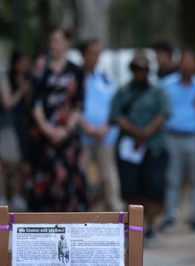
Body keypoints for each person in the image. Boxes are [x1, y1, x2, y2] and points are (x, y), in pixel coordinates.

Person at [109, 51, 170, 247]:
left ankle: (151, 226)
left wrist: (145, 134)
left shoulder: (157, 90)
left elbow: (163, 113)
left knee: (153, 187)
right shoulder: (123, 91)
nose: (139, 72)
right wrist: (136, 132)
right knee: (131, 187)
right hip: (128, 148)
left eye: (143, 69)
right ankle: (135, 227)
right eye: (136, 68)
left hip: (154, 147)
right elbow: (116, 116)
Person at [29, 27, 87, 212]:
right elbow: (35, 101)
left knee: (69, 180)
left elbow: (78, 104)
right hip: (44, 135)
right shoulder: (41, 69)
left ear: (68, 43)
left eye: (59, 40)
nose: (55, 45)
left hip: (67, 137)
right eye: (52, 40)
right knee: (44, 180)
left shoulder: (76, 70)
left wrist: (67, 129)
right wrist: (46, 128)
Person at [160, 48, 195, 232]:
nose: (187, 64)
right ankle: (170, 216)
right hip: (172, 136)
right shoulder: (166, 85)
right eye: (184, 60)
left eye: (191, 61)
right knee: (172, 178)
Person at [78, 39, 124, 212]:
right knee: (84, 175)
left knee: (108, 175)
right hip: (83, 135)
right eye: (92, 53)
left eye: (98, 54)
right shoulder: (76, 77)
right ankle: (85, 211)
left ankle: (115, 210)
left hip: (106, 135)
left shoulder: (106, 78)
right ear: (83, 54)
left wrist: (105, 126)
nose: (95, 57)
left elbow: (115, 105)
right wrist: (86, 126)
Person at [0, 50, 32, 210]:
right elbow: (8, 103)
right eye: (22, 61)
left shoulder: (29, 79)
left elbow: (30, 106)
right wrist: (21, 90)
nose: (25, 65)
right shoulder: (7, 79)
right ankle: (3, 196)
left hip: (23, 126)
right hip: (8, 125)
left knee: (21, 162)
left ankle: (18, 196)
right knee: (4, 162)